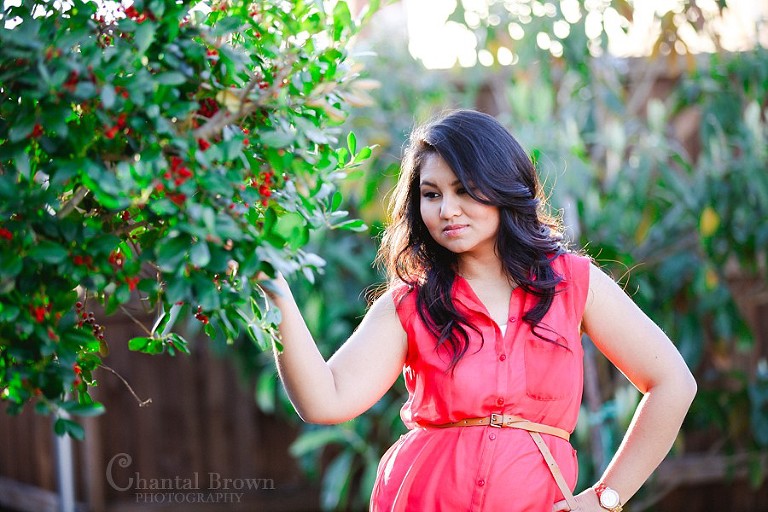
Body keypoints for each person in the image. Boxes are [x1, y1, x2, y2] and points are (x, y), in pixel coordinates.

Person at [264, 109, 697, 511]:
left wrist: (606, 497)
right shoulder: (410, 303)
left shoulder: (572, 282)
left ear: (502, 184)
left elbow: (673, 383)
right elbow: (324, 400)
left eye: (464, 190)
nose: (446, 210)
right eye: (431, 194)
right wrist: (270, 283)